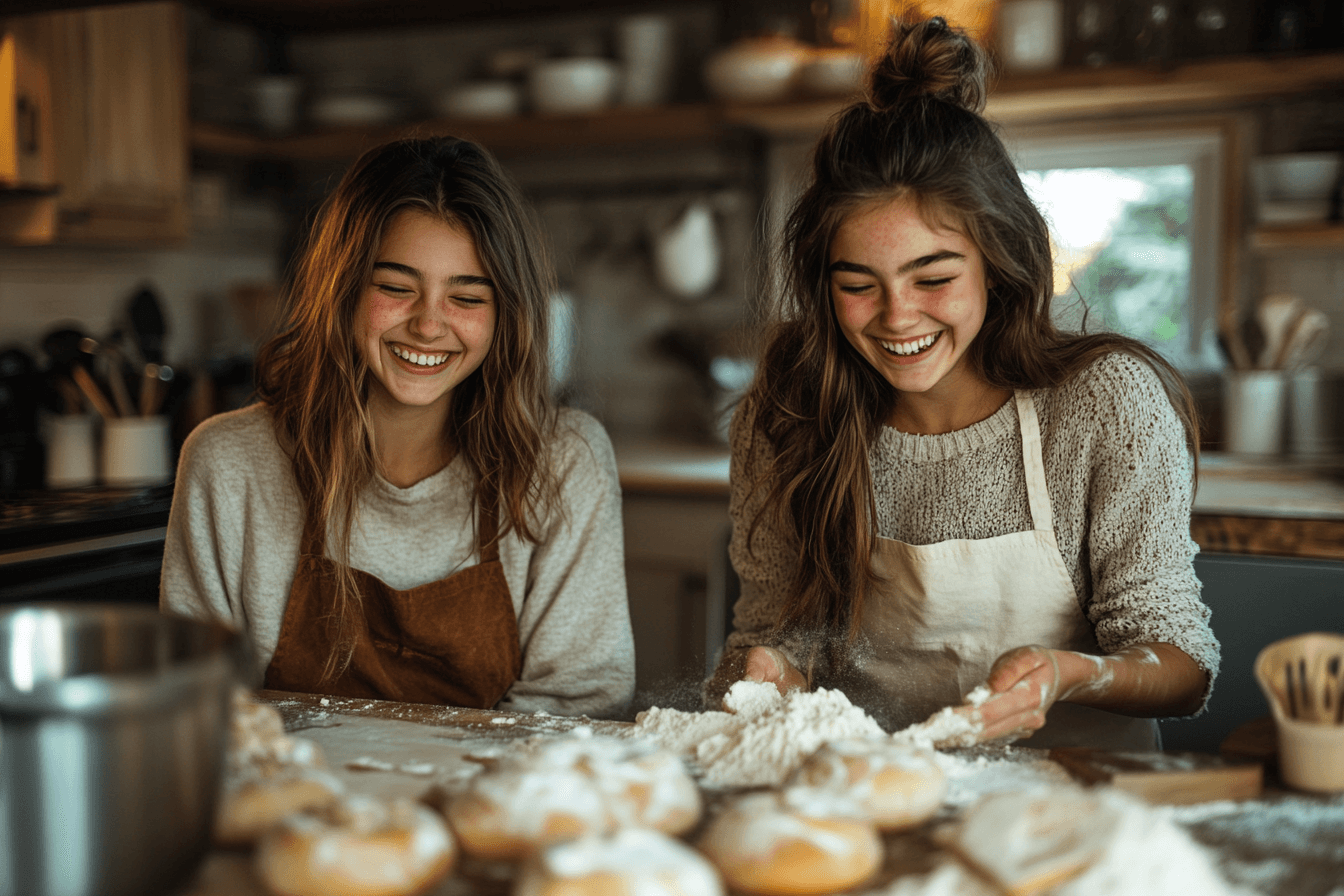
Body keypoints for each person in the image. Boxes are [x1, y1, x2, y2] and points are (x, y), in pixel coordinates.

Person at [708, 16, 1219, 749]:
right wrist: (766, 675)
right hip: (876, 789)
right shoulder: (790, 413)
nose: (896, 316)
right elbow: (769, 635)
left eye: (934, 277)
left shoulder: (1106, 404)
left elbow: (1181, 662)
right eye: (859, 284)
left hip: (1078, 801)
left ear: (998, 259)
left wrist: (1069, 673)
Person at [161, 136, 634, 718]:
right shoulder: (228, 464)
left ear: (506, 314)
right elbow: (199, 707)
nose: (429, 325)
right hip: (294, 802)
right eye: (395, 287)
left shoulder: (564, 462)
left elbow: (578, 704)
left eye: (467, 297)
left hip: (490, 805)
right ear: (341, 290)